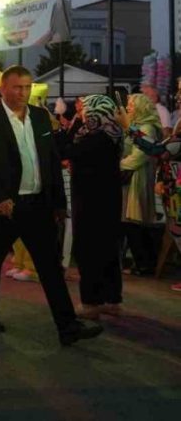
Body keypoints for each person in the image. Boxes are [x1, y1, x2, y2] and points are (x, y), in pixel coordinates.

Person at [0, 65, 102, 346]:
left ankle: (67, 326)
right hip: (4, 206)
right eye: (17, 87)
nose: (23, 93)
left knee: (50, 266)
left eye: (27, 87)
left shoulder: (41, 118)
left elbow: (52, 160)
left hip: (37, 203)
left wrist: (57, 202)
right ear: (3, 88)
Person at [58, 94, 124, 318]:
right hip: (108, 200)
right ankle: (111, 299)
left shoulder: (95, 137)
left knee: (89, 250)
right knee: (107, 250)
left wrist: (73, 124)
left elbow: (67, 150)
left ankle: (91, 302)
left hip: (90, 201)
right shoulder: (112, 132)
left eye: (85, 110)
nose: (81, 114)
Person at [120, 93, 164, 276]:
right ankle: (140, 262)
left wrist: (117, 166)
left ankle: (144, 263)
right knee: (131, 219)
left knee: (136, 219)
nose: (128, 108)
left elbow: (140, 156)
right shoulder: (136, 126)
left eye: (131, 105)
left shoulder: (146, 127)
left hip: (139, 177)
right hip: (132, 177)